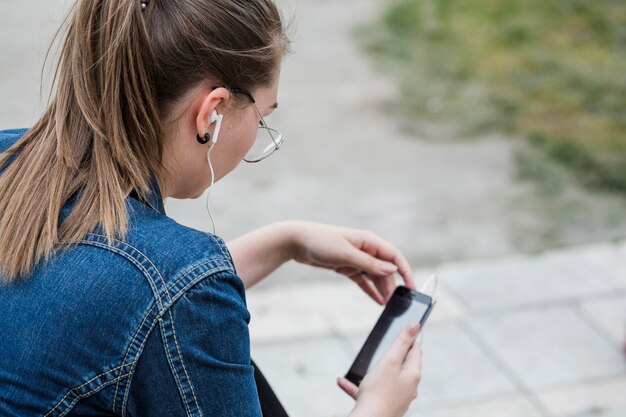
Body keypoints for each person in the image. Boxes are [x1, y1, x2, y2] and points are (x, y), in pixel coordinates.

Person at [0, 0, 423, 416]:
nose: (259, 134)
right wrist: (380, 405)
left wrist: (287, 242)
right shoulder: (187, 288)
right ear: (212, 114)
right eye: (262, 116)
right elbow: (164, 298)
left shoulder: (10, 158)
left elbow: (114, 301)